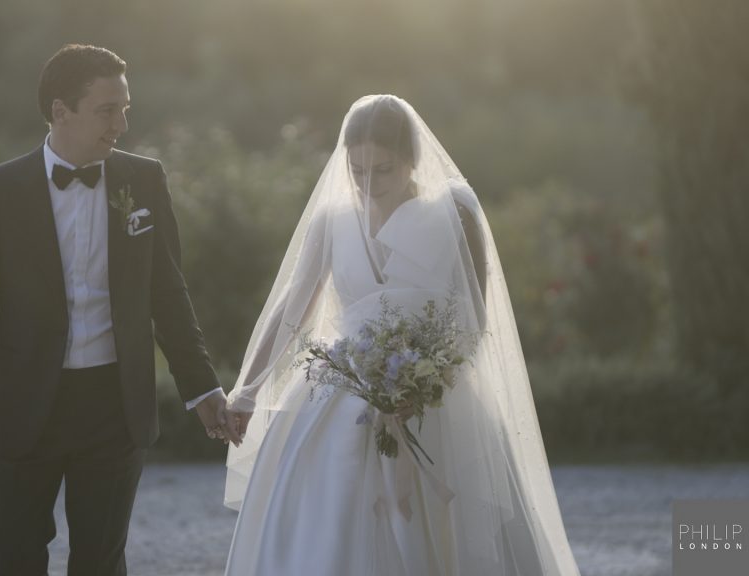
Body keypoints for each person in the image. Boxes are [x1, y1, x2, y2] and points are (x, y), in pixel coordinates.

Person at [222, 95, 580, 575]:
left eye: (383, 170)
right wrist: (247, 389)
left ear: (412, 160)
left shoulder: (455, 214)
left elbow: (474, 320)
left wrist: (427, 384)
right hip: (338, 394)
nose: (369, 185)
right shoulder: (332, 220)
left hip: (437, 396)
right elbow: (292, 307)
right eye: (357, 171)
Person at [0, 44, 238, 576]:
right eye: (108, 110)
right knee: (14, 560)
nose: (121, 124)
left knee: (101, 563)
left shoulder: (143, 180)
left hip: (114, 407)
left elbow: (167, 293)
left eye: (126, 108)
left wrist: (202, 387)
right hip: (25, 405)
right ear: (61, 111)